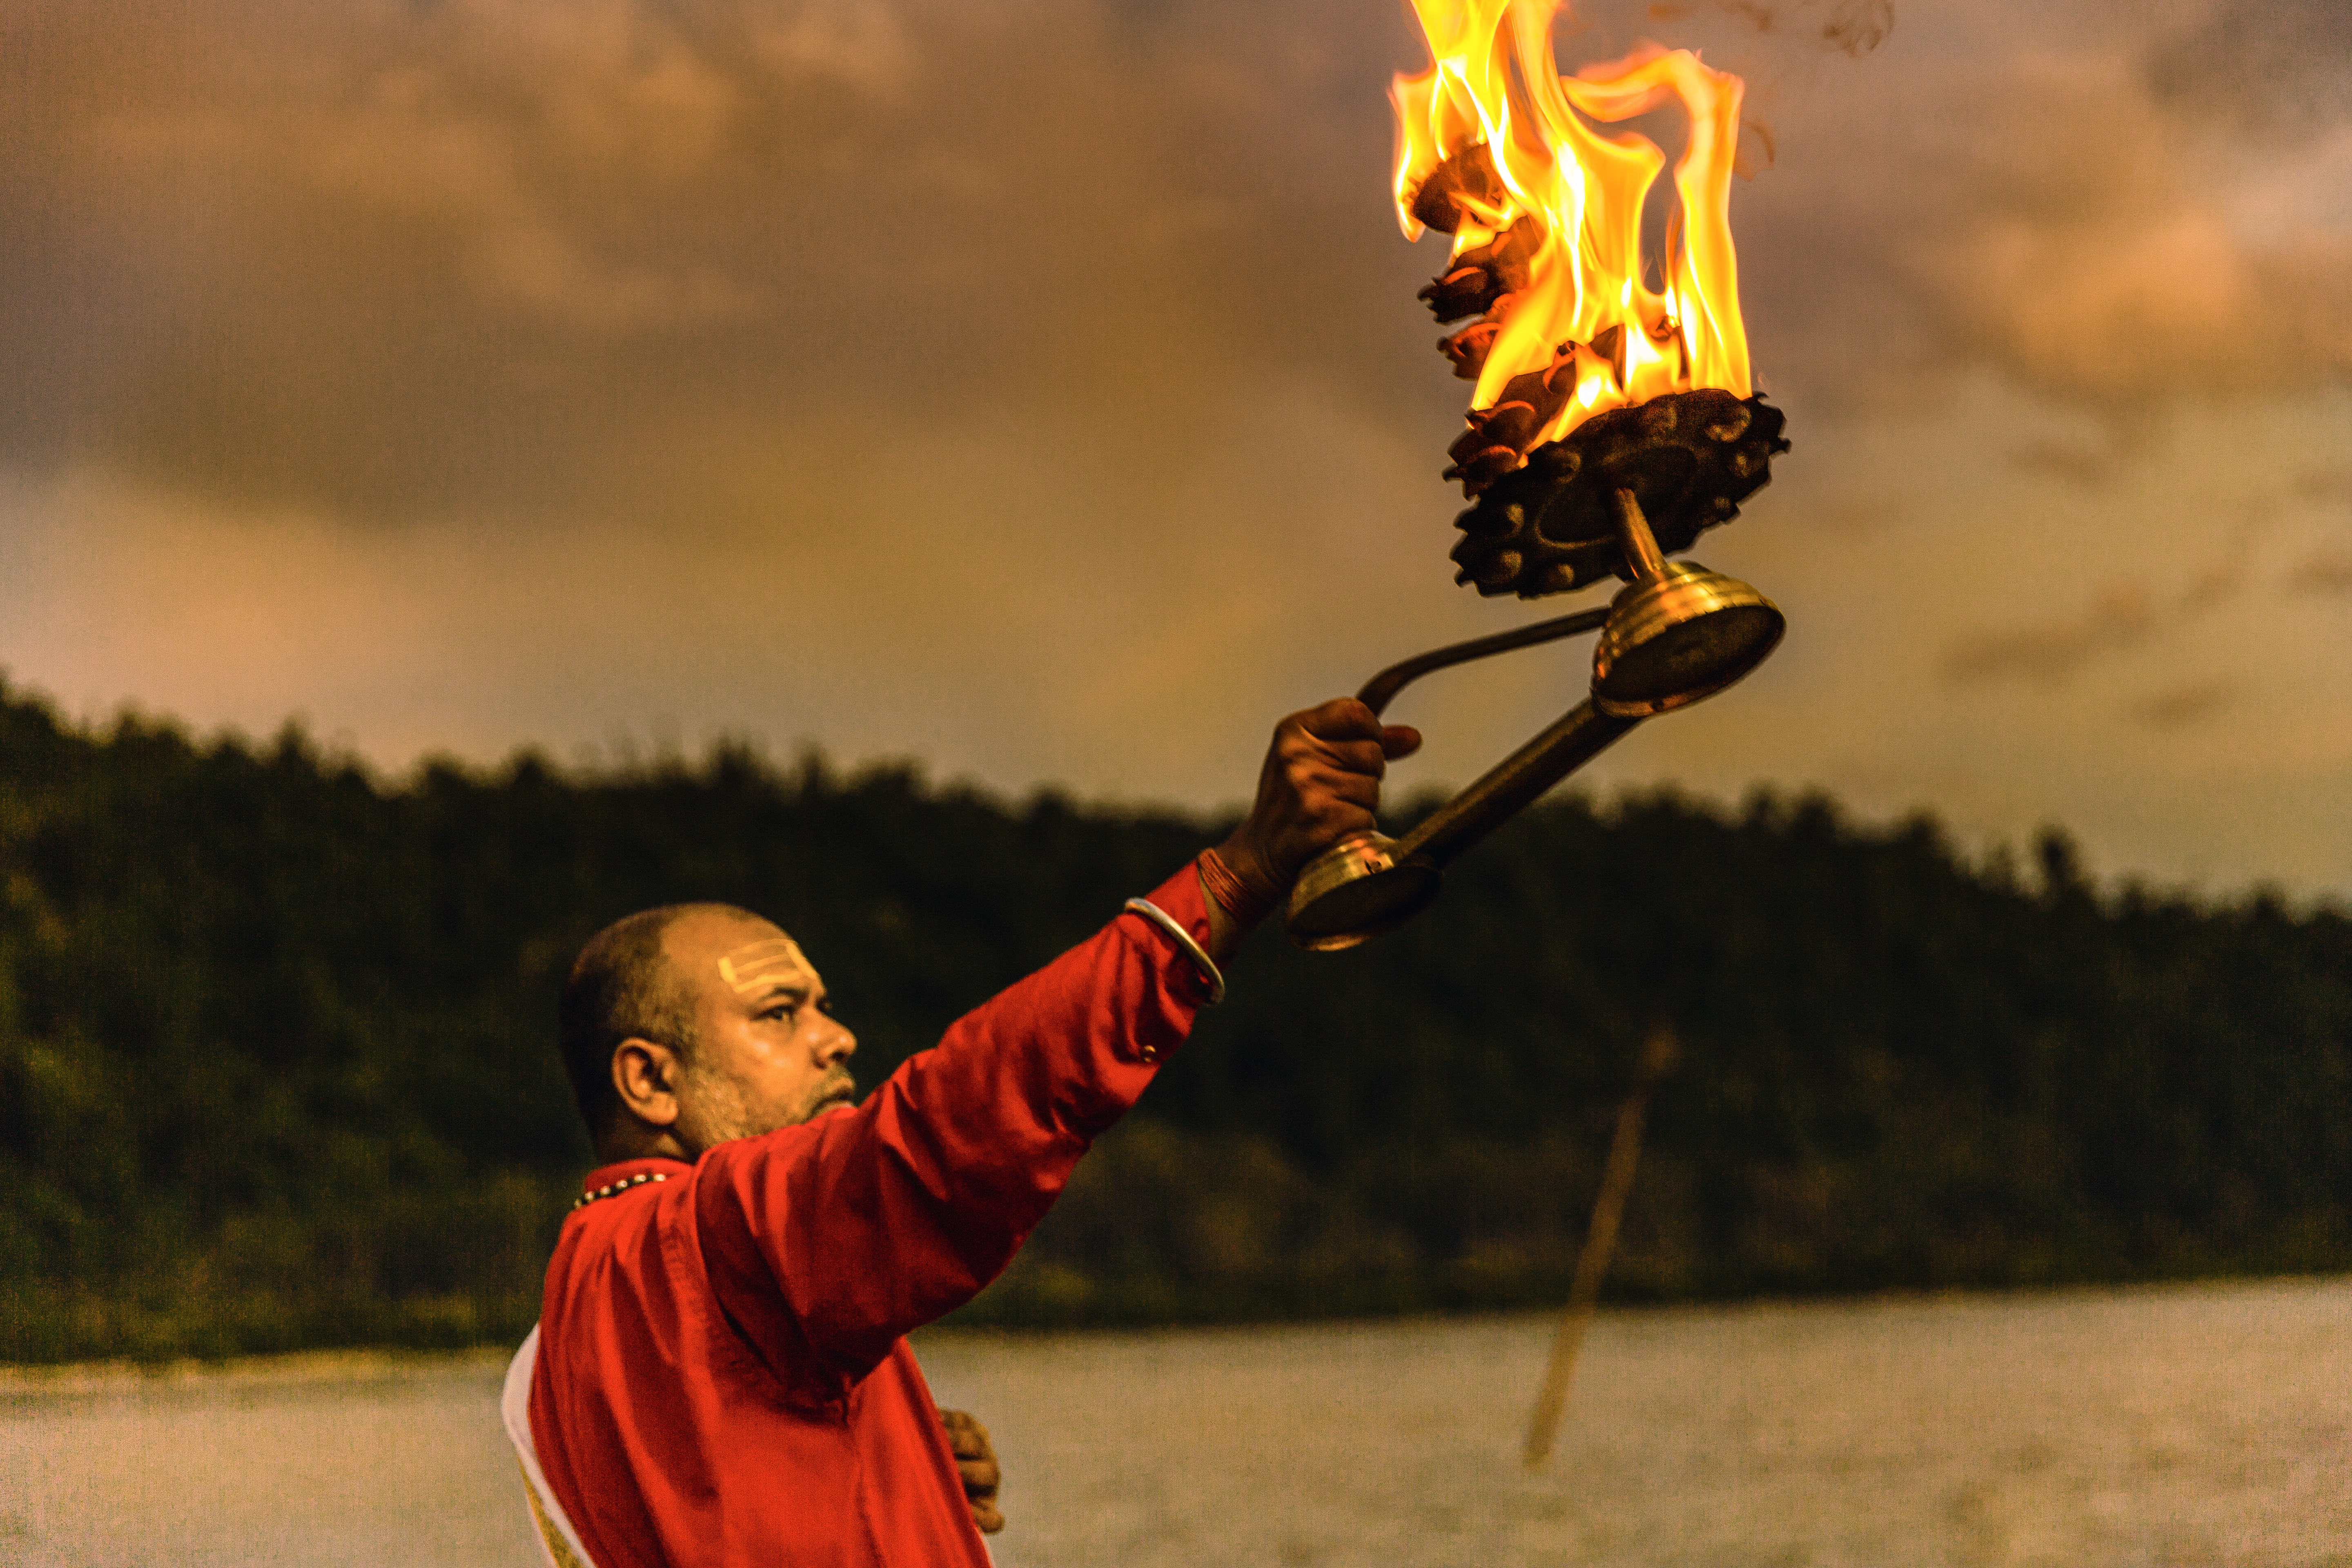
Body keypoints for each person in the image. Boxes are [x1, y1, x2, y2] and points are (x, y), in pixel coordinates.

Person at [500, 699, 1421, 1568]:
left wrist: (883, 1447)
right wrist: (1239, 874)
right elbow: (951, 1125)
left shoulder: (587, 1296)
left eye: (824, 1007)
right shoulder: (707, 1241)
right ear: (649, 1080)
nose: (837, 1036)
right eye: (780, 1014)